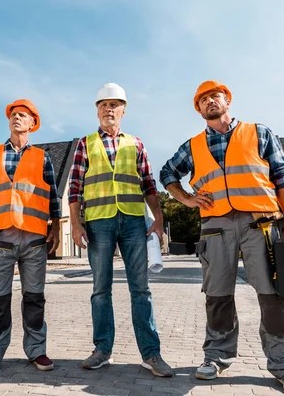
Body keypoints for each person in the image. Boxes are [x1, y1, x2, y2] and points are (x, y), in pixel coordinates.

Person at [159, 80, 284, 395]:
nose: (210, 101)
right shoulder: (193, 145)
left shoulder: (259, 133)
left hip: (262, 224)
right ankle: (216, 357)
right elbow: (168, 173)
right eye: (203, 99)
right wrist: (186, 199)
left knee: (273, 297)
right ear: (199, 109)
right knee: (217, 296)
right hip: (216, 226)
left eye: (216, 96)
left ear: (227, 100)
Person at [68, 83, 174, 377]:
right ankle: (102, 350)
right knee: (101, 290)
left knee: (141, 289)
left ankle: (151, 354)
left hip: (132, 221)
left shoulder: (136, 144)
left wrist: (159, 219)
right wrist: (76, 224)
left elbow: (150, 185)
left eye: (115, 104)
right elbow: (75, 188)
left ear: (123, 111)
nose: (109, 109)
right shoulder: (85, 144)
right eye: (103, 104)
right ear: (97, 110)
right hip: (99, 221)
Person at [0, 99, 61, 376]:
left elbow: (53, 197)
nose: (17, 118)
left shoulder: (43, 157)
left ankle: (37, 351)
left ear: (32, 124)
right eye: (13, 115)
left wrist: (56, 230)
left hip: (34, 240)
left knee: (34, 298)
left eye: (23, 116)